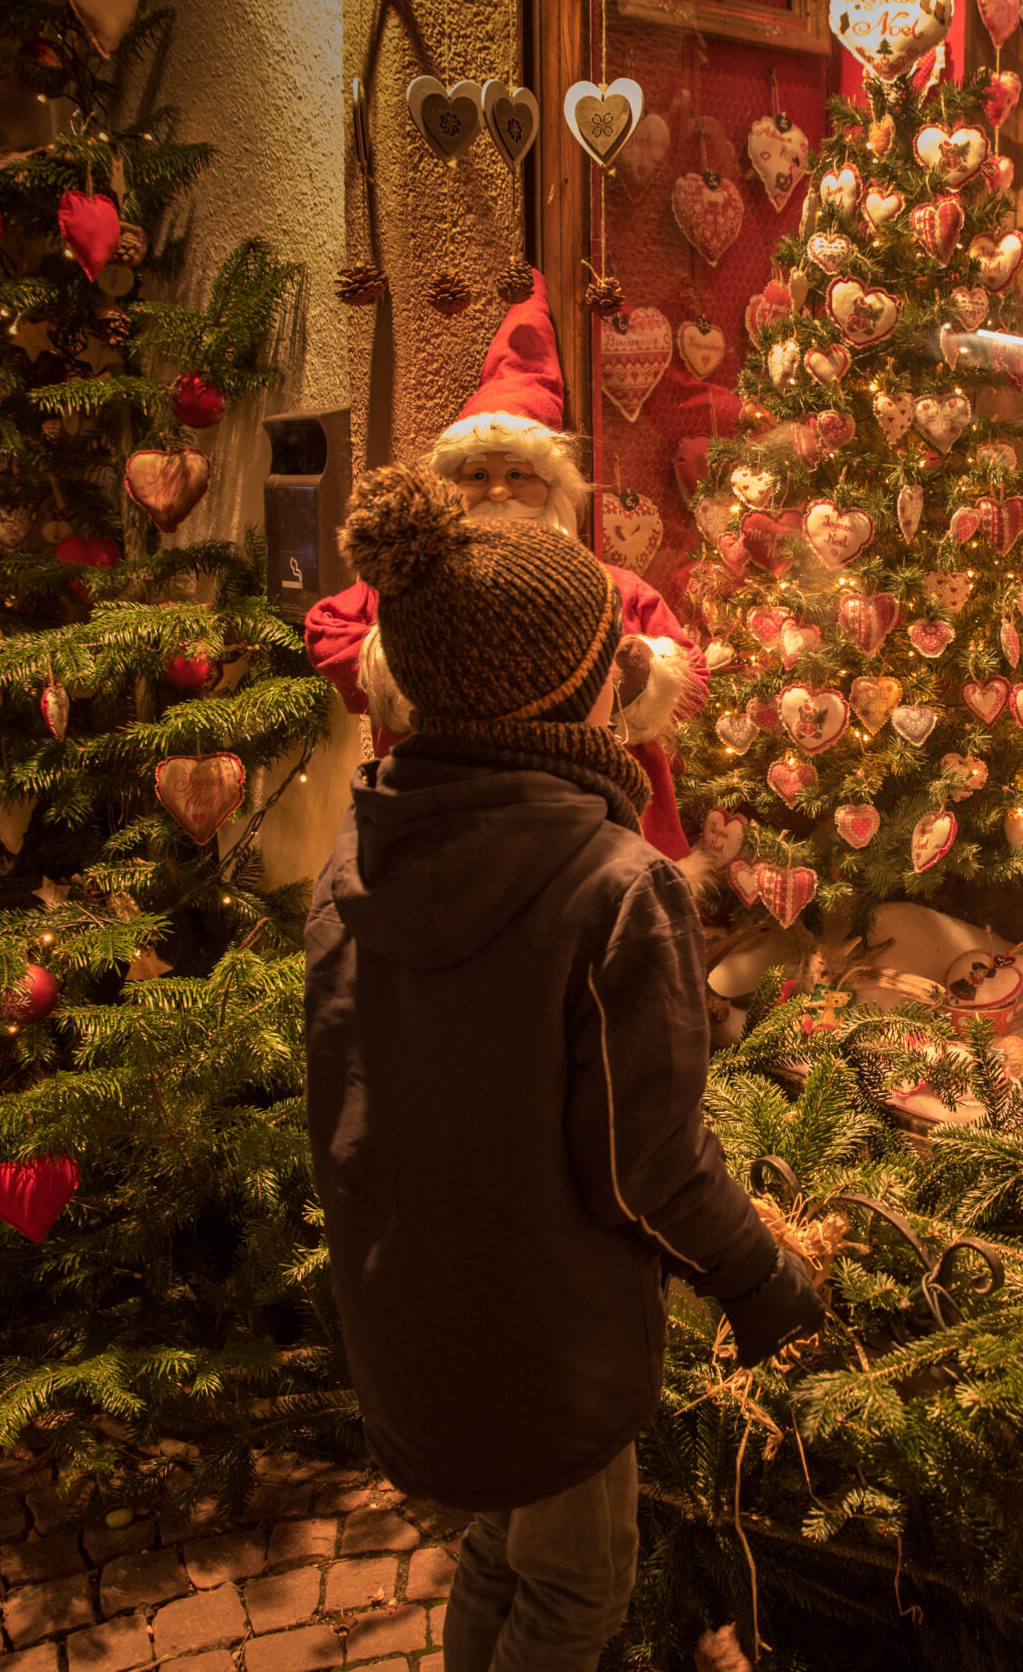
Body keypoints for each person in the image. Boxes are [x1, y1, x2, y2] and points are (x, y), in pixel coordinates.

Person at [305, 463, 823, 1672]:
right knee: (576, 1589)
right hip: (552, 1339)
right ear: (576, 689)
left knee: (497, 1550)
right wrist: (757, 1276)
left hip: (413, 1307)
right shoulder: (615, 881)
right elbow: (644, 1160)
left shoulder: (359, 848)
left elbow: (343, 1086)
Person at [304, 273, 705, 860]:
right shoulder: (406, 584)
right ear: (449, 485)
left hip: (599, 829)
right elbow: (326, 629)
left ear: (552, 488)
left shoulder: (608, 588)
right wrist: (413, 669)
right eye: (476, 475)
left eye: (518, 475)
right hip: (444, 814)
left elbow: (686, 665)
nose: (496, 491)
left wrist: (635, 678)